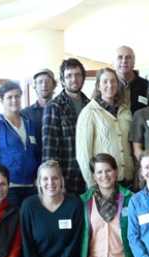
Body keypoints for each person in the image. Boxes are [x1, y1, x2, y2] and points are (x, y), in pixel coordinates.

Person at [19, 160, 82, 257]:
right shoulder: (29, 206)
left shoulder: (74, 204)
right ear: (39, 183)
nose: (50, 183)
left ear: (61, 180)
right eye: (45, 179)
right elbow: (27, 247)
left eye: (55, 178)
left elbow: (73, 246)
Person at [79, 154, 134, 257]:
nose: (105, 176)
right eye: (100, 172)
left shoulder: (130, 198)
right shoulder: (84, 201)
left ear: (116, 172)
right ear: (94, 176)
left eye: (108, 171)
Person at [0, 80, 41, 207]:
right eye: (9, 97)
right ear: (2, 100)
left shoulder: (29, 124)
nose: (14, 100)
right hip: (7, 189)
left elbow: (37, 154)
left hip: (31, 187)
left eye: (17, 96)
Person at [76, 67, 135, 188]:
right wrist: (92, 183)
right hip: (103, 181)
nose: (110, 85)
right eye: (105, 81)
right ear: (98, 86)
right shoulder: (89, 112)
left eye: (113, 81)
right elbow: (83, 154)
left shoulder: (125, 110)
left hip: (127, 179)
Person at [42, 58, 91, 195]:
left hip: (90, 177)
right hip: (66, 178)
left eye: (77, 75)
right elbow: (49, 150)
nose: (74, 79)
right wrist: (53, 181)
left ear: (83, 78)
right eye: (69, 76)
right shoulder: (54, 107)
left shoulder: (91, 106)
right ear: (63, 80)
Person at [114, 45, 149, 113]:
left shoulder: (146, 85)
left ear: (134, 62)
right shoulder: (107, 86)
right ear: (113, 62)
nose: (124, 61)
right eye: (120, 57)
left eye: (128, 57)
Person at [22, 68, 56, 134]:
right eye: (40, 82)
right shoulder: (25, 114)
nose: (44, 85)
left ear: (54, 85)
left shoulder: (62, 110)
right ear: (35, 86)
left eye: (47, 82)